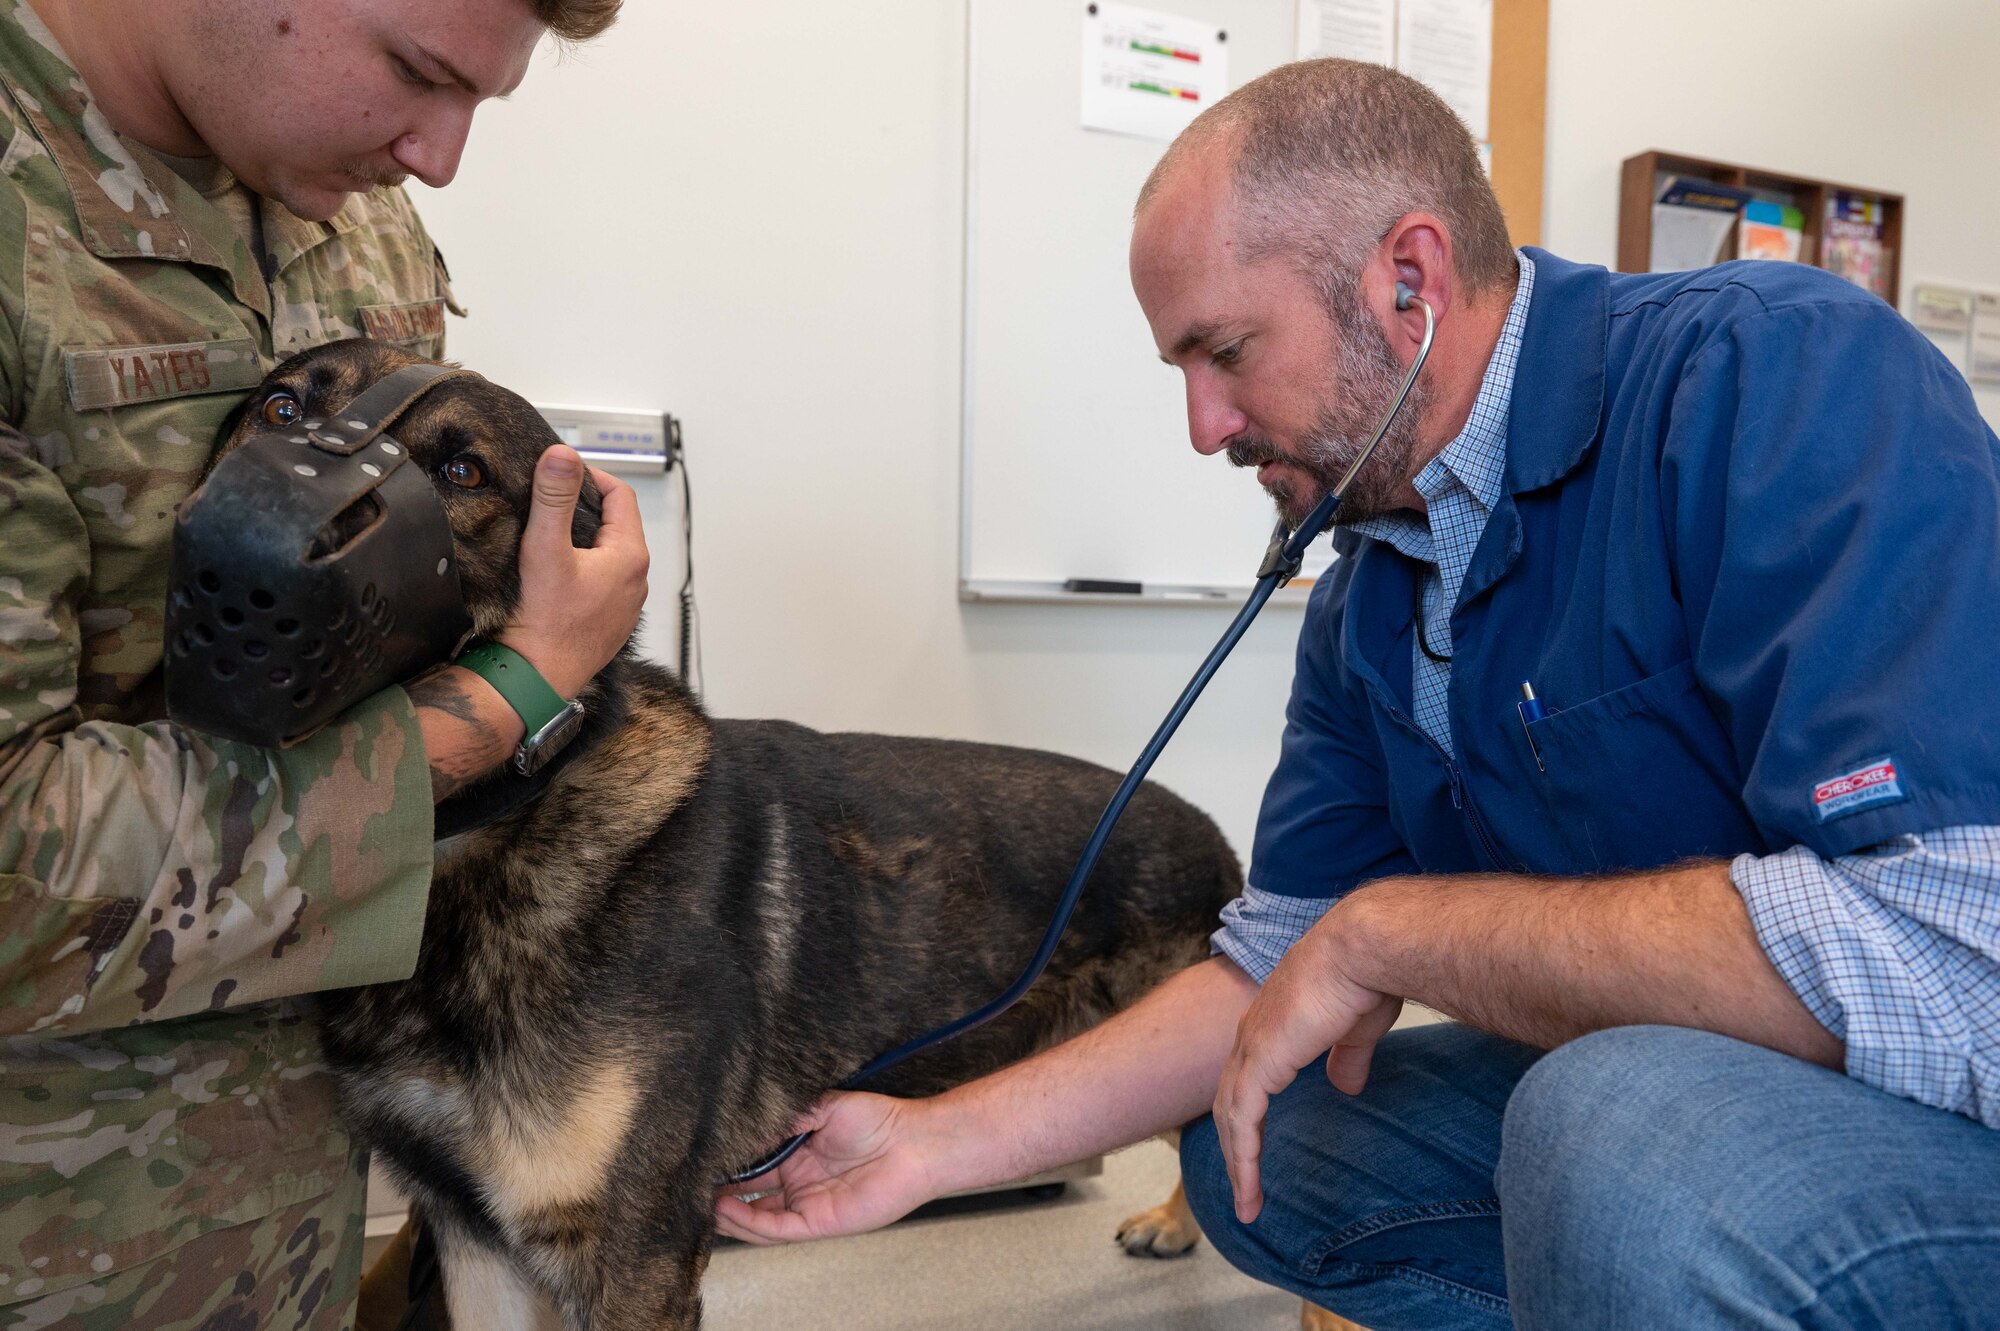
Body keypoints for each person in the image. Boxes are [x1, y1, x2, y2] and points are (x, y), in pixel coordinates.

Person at [717, 59, 2000, 1329]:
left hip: (1948, 1117)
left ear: (1408, 280)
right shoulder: (1372, 582)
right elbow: (1279, 955)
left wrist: (1398, 930)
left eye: (1223, 351)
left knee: (1607, 1124)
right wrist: (932, 1142)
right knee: (1259, 1134)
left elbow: (1946, 949)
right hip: (1700, 1110)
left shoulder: (1774, 376)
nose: (1202, 425)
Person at [0, 1, 647, 1326]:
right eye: (417, 74)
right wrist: (506, 702)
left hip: (290, 1216)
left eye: (480, 98)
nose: (441, 154)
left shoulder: (347, 212)